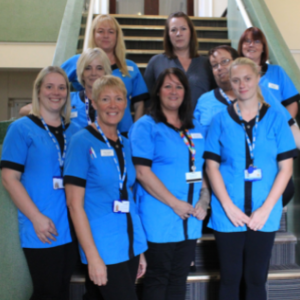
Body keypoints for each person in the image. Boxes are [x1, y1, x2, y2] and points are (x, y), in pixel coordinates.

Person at [204, 57, 297, 300]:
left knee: (256, 280)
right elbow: (212, 167)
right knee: (230, 278)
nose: (242, 84)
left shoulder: (276, 119)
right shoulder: (219, 120)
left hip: (264, 212)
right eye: (236, 80)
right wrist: (227, 207)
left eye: (247, 78)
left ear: (257, 79)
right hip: (228, 213)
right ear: (230, 83)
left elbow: (286, 169)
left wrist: (266, 209)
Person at [63, 75, 148, 300]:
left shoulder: (126, 144)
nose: (113, 105)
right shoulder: (81, 142)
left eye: (119, 99)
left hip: (128, 244)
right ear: (93, 103)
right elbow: (74, 204)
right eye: (105, 99)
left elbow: (129, 197)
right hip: (103, 247)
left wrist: (138, 249)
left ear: (126, 104)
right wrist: (93, 257)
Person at [130, 68, 209, 300]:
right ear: (158, 91)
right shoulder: (146, 126)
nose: (173, 91)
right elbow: (142, 173)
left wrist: (204, 199)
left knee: (178, 279)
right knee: (158, 279)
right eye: (168, 86)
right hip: (160, 217)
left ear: (186, 92)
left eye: (179, 86)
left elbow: (201, 168)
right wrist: (175, 204)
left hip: (190, 219)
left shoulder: (195, 128)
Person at [1, 66, 79, 299]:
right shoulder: (21, 129)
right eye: (49, 86)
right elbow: (9, 178)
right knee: (47, 292)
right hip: (42, 226)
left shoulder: (74, 131)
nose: (56, 92)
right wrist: (36, 218)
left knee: (63, 290)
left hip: (71, 226)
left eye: (62, 87)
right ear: (38, 91)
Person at [194, 45, 300, 206]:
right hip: (225, 176)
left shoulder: (262, 92)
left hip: (264, 175)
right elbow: (197, 143)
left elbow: (289, 126)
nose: (219, 68)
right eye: (214, 65)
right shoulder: (205, 101)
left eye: (224, 61)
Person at [61, 14, 149, 134]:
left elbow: (139, 104)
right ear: (93, 34)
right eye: (100, 31)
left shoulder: (130, 67)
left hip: (123, 131)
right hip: (85, 130)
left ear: (117, 36)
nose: (106, 36)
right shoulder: (78, 61)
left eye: (111, 31)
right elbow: (52, 82)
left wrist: (136, 132)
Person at [144, 11, 216, 109]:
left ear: (190, 32)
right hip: (164, 123)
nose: (179, 33)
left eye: (183, 29)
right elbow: (148, 100)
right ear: (168, 35)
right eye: (173, 30)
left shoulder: (206, 63)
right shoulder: (156, 62)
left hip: (200, 122)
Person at [238, 27, 299, 118]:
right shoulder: (233, 73)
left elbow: (292, 103)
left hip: (273, 129)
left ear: (263, 48)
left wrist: (284, 125)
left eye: (257, 42)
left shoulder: (277, 72)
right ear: (241, 46)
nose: (251, 44)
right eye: (247, 41)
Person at [70, 47, 111, 128]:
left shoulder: (114, 102)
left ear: (105, 73)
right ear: (81, 74)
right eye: (88, 68)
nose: (93, 73)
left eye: (99, 68)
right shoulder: (68, 100)